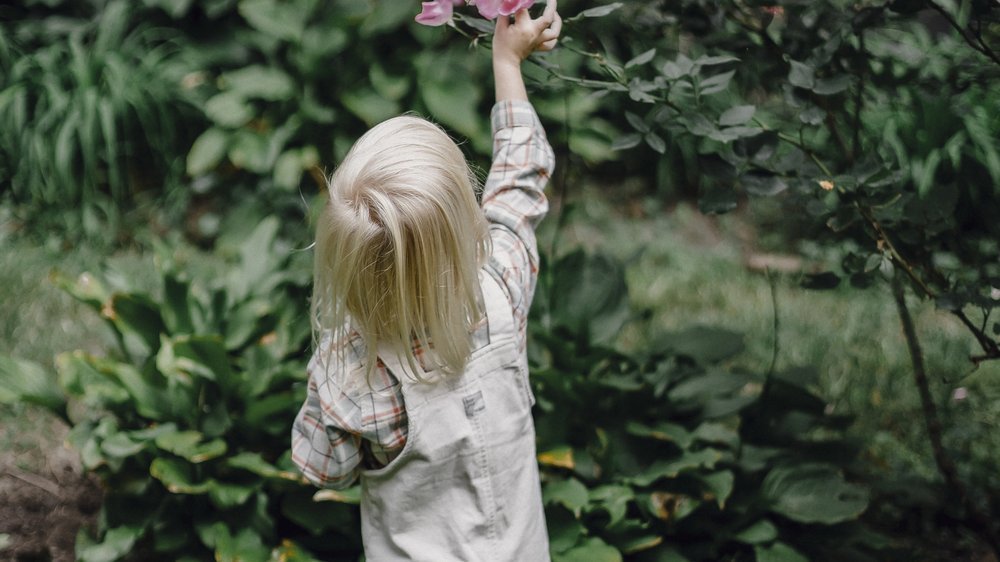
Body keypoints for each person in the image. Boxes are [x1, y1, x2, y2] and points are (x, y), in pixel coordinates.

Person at [291, 2, 562, 560]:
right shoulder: (502, 286)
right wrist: (508, 64)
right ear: (466, 225)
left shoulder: (349, 374)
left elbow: (321, 469)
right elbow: (518, 183)